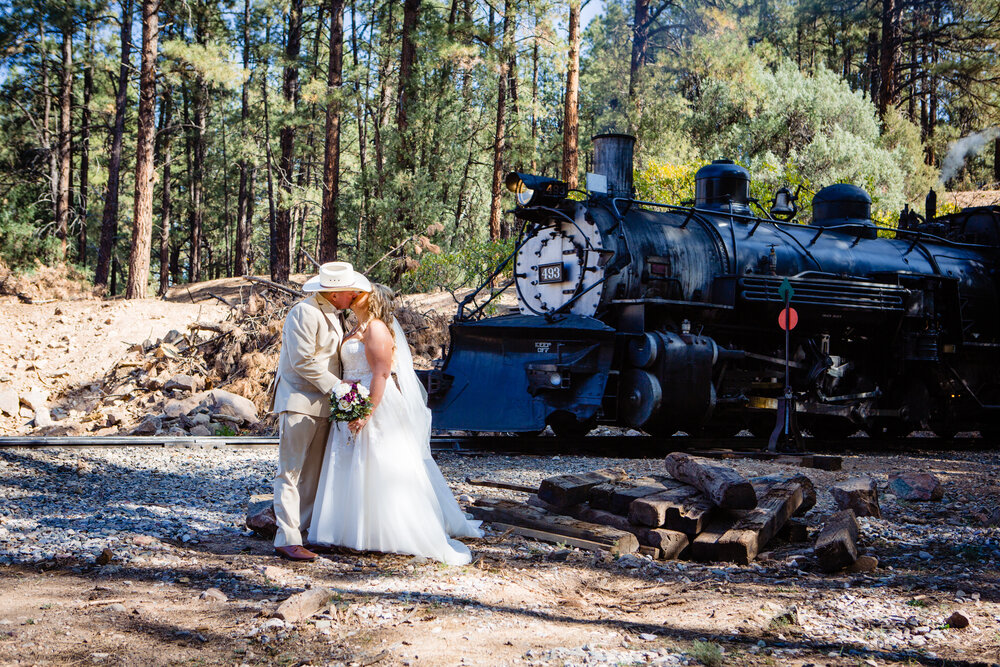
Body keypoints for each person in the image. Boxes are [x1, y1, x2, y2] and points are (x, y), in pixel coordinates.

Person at [309, 283, 483, 564]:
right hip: (351, 397)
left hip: (373, 401)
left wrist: (366, 412)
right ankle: (349, 530)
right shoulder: (354, 329)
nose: (353, 296)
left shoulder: (376, 327)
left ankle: (388, 532)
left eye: (359, 293)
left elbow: (381, 373)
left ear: (373, 298)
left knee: (379, 463)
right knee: (350, 463)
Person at [270, 261, 371, 561]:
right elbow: (302, 360)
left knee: (312, 475)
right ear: (334, 291)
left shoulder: (335, 315)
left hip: (325, 406)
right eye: (349, 290)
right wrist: (339, 388)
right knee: (290, 472)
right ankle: (286, 538)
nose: (353, 294)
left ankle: (304, 532)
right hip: (299, 402)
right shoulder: (304, 312)